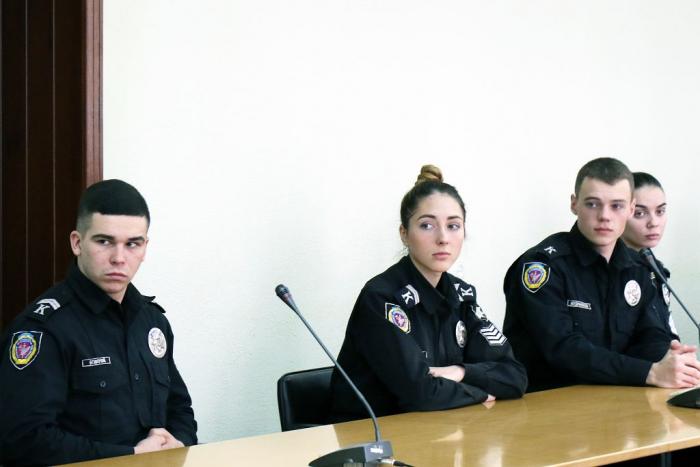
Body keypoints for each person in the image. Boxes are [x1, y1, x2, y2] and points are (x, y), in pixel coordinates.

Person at [0, 180, 197, 466]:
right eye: (104, 242)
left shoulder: (151, 321)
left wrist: (176, 443)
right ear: (77, 243)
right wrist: (131, 457)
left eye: (132, 244)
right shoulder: (44, 329)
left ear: (145, 248)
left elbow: (180, 409)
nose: (119, 258)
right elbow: (22, 439)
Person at [330, 165, 527, 422]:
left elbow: (515, 377)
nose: (443, 238)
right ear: (404, 234)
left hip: (438, 429)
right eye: (427, 225)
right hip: (373, 436)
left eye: (453, 226)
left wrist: (460, 372)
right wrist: (482, 393)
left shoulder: (462, 295)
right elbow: (420, 394)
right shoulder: (381, 299)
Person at [503, 157, 700, 393]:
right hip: (549, 402)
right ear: (574, 204)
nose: (605, 216)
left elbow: (650, 336)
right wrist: (649, 372)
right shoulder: (543, 266)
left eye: (617, 206)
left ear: (630, 209)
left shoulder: (639, 267)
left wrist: (670, 360)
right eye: (593, 204)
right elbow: (563, 350)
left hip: (618, 398)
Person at [622, 172, 678, 339]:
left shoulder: (656, 268)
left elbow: (666, 326)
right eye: (639, 213)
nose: (654, 223)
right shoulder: (608, 269)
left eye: (660, 211)